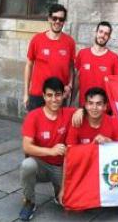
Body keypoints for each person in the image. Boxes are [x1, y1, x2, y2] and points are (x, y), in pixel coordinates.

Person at [19, 77, 75, 221]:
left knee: (65, 201)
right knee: (27, 165)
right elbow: (26, 146)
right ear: (43, 96)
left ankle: (58, 193)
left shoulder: (69, 113)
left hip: (60, 167)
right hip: (41, 165)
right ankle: (29, 201)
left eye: (57, 95)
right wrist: (51, 151)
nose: (54, 99)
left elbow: (91, 111)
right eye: (49, 95)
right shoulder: (34, 116)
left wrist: (81, 112)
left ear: (64, 95)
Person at [23, 4, 75, 111]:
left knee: (57, 127)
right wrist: (26, 93)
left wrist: (69, 85)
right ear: (49, 19)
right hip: (38, 95)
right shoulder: (37, 39)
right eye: (54, 18)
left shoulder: (70, 42)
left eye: (61, 19)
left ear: (64, 21)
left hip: (58, 96)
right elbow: (29, 65)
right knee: (36, 126)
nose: (57, 21)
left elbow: (71, 68)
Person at [73, 21, 118, 105]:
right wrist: (72, 101)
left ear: (109, 37)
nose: (102, 35)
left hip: (103, 108)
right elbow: (77, 79)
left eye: (106, 34)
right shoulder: (82, 53)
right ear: (96, 33)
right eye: (101, 32)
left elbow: (116, 86)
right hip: (84, 106)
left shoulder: (114, 58)